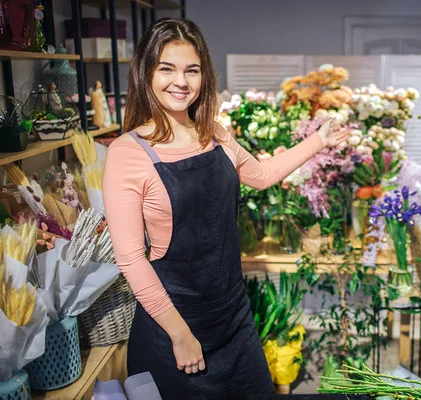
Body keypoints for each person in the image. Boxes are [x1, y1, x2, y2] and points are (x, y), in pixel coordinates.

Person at [102, 18, 347, 399]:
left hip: (234, 319)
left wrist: (320, 139)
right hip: (174, 330)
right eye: (166, 69)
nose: (180, 82)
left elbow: (262, 175)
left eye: (192, 70)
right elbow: (132, 259)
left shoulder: (214, 133)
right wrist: (181, 336)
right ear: (145, 73)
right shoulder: (128, 154)